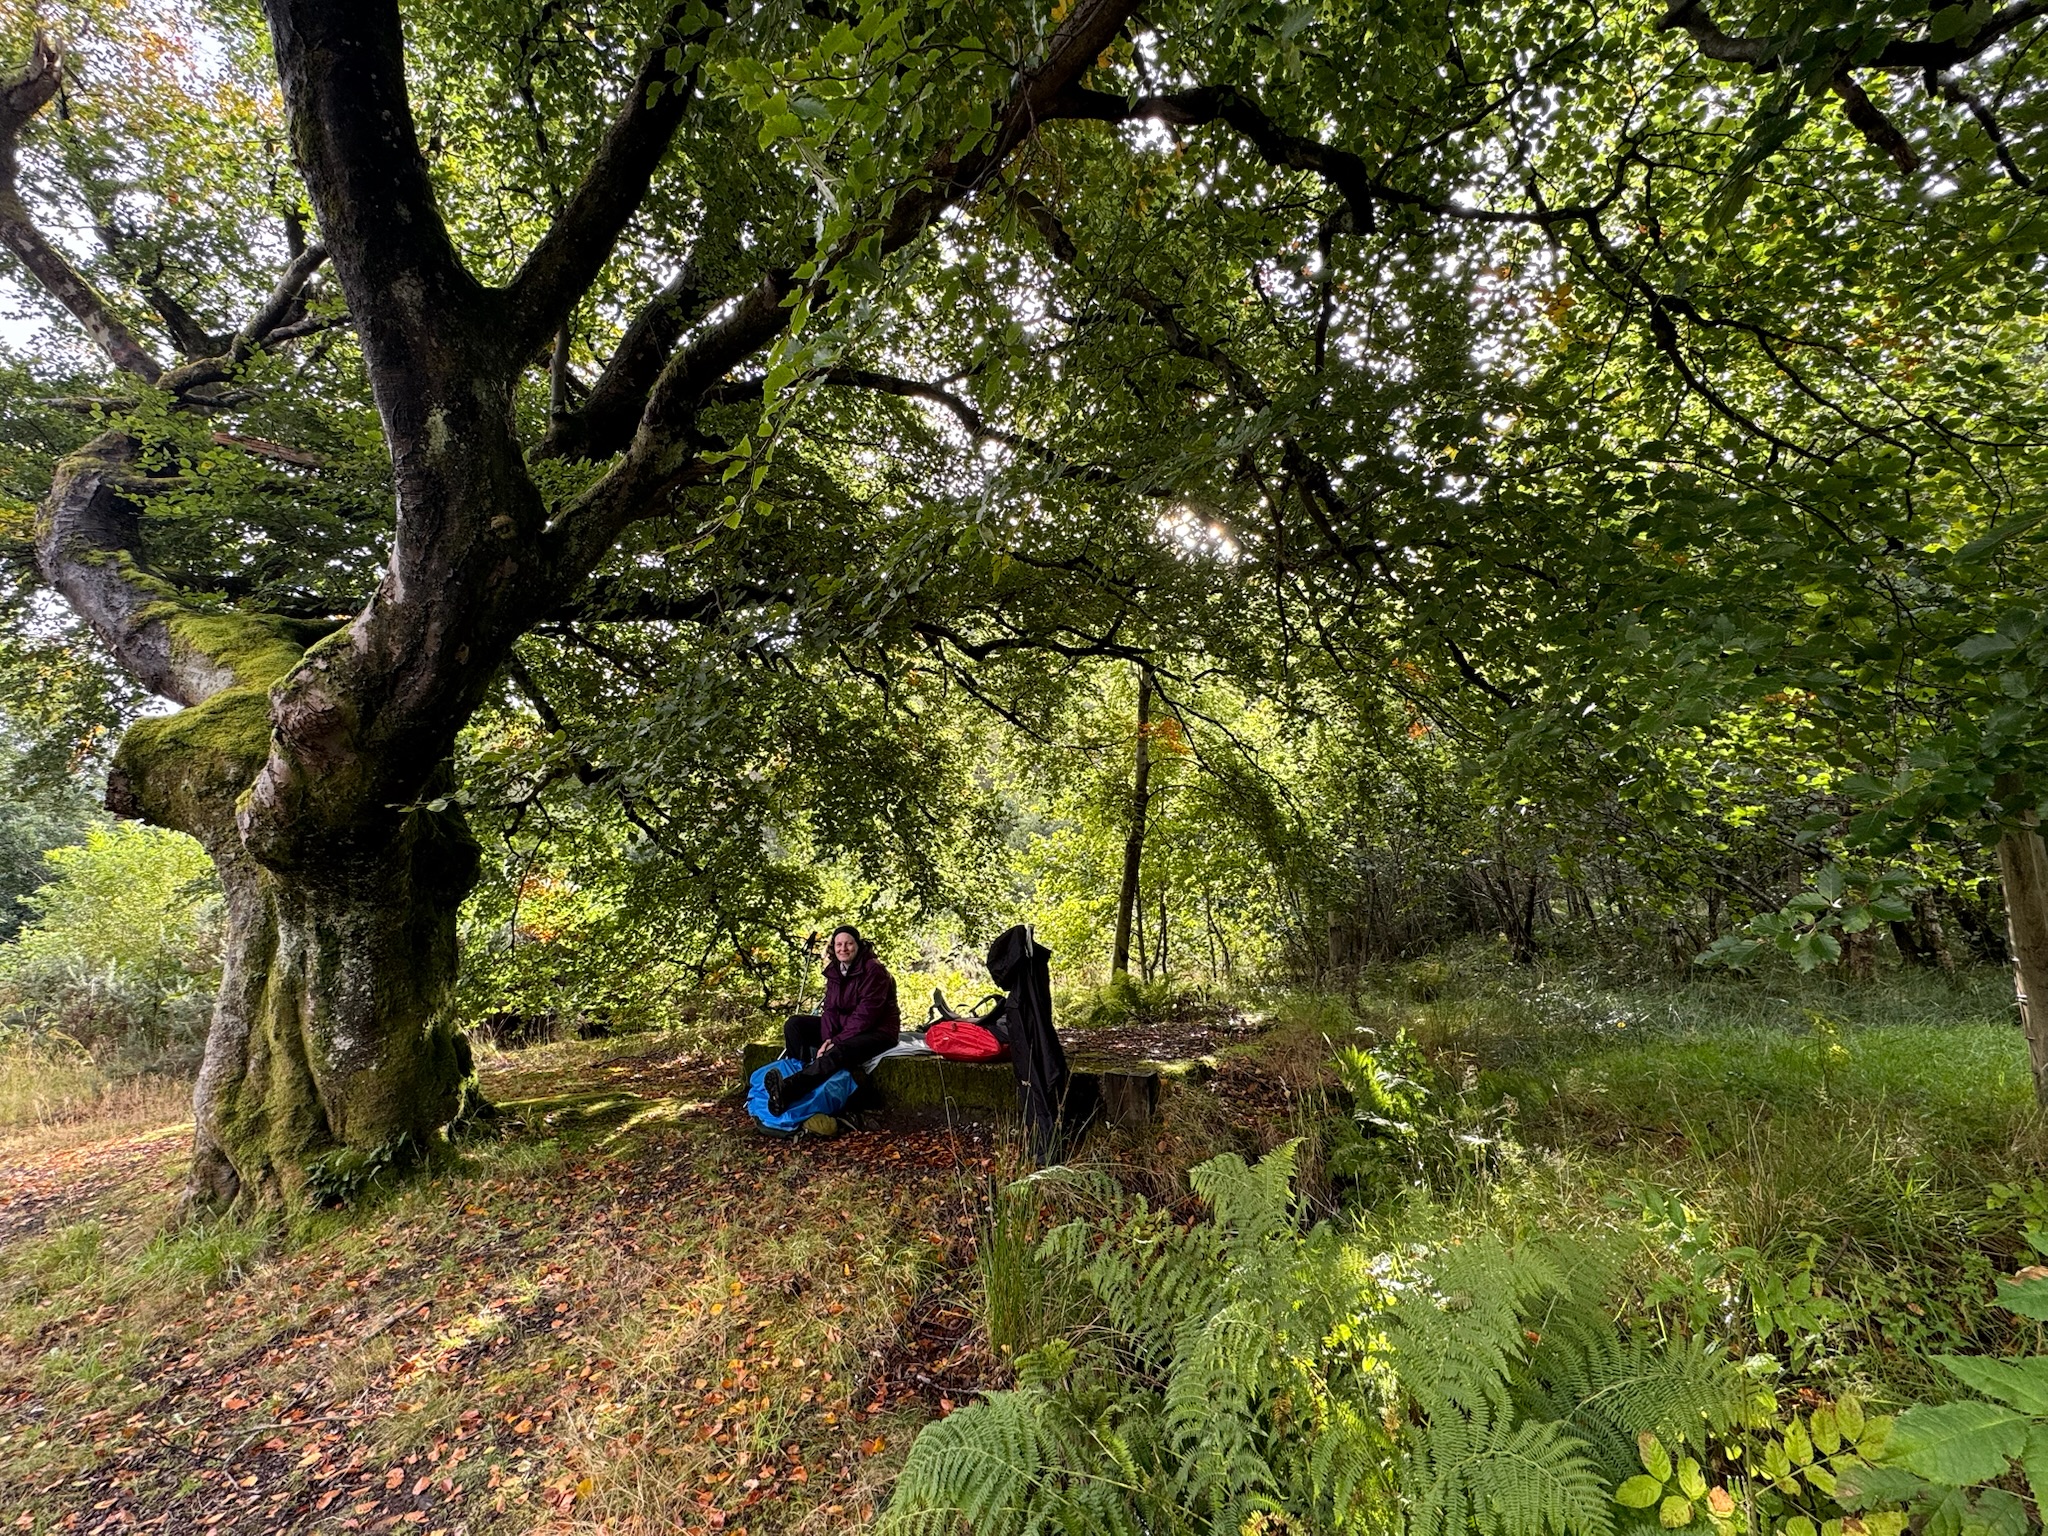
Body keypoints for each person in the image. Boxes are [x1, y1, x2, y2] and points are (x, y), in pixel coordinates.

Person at [767, 925, 901, 1116]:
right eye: (839, 944)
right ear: (833, 947)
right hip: (845, 1027)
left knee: (839, 1049)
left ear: (858, 945)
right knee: (794, 1025)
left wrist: (835, 1041)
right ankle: (797, 1072)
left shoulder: (873, 970)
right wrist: (827, 1039)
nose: (843, 948)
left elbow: (866, 1015)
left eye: (848, 944)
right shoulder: (835, 970)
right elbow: (830, 1009)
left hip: (878, 1031)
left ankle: (789, 1090)